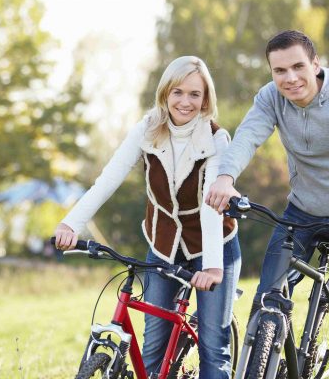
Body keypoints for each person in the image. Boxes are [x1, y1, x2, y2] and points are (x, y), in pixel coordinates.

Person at [205, 30, 329, 378]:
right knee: (266, 298)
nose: (290, 78)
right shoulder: (270, 98)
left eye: (298, 66)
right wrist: (225, 177)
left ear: (316, 63)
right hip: (301, 212)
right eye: (279, 71)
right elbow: (249, 136)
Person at [54, 56, 242, 378]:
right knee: (153, 349)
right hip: (163, 246)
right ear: (165, 93)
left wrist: (211, 265)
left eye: (194, 94)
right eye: (177, 92)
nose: (185, 102)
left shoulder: (216, 139)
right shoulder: (147, 129)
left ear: (205, 98)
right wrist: (71, 222)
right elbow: (109, 178)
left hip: (213, 248)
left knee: (213, 349)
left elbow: (213, 204)